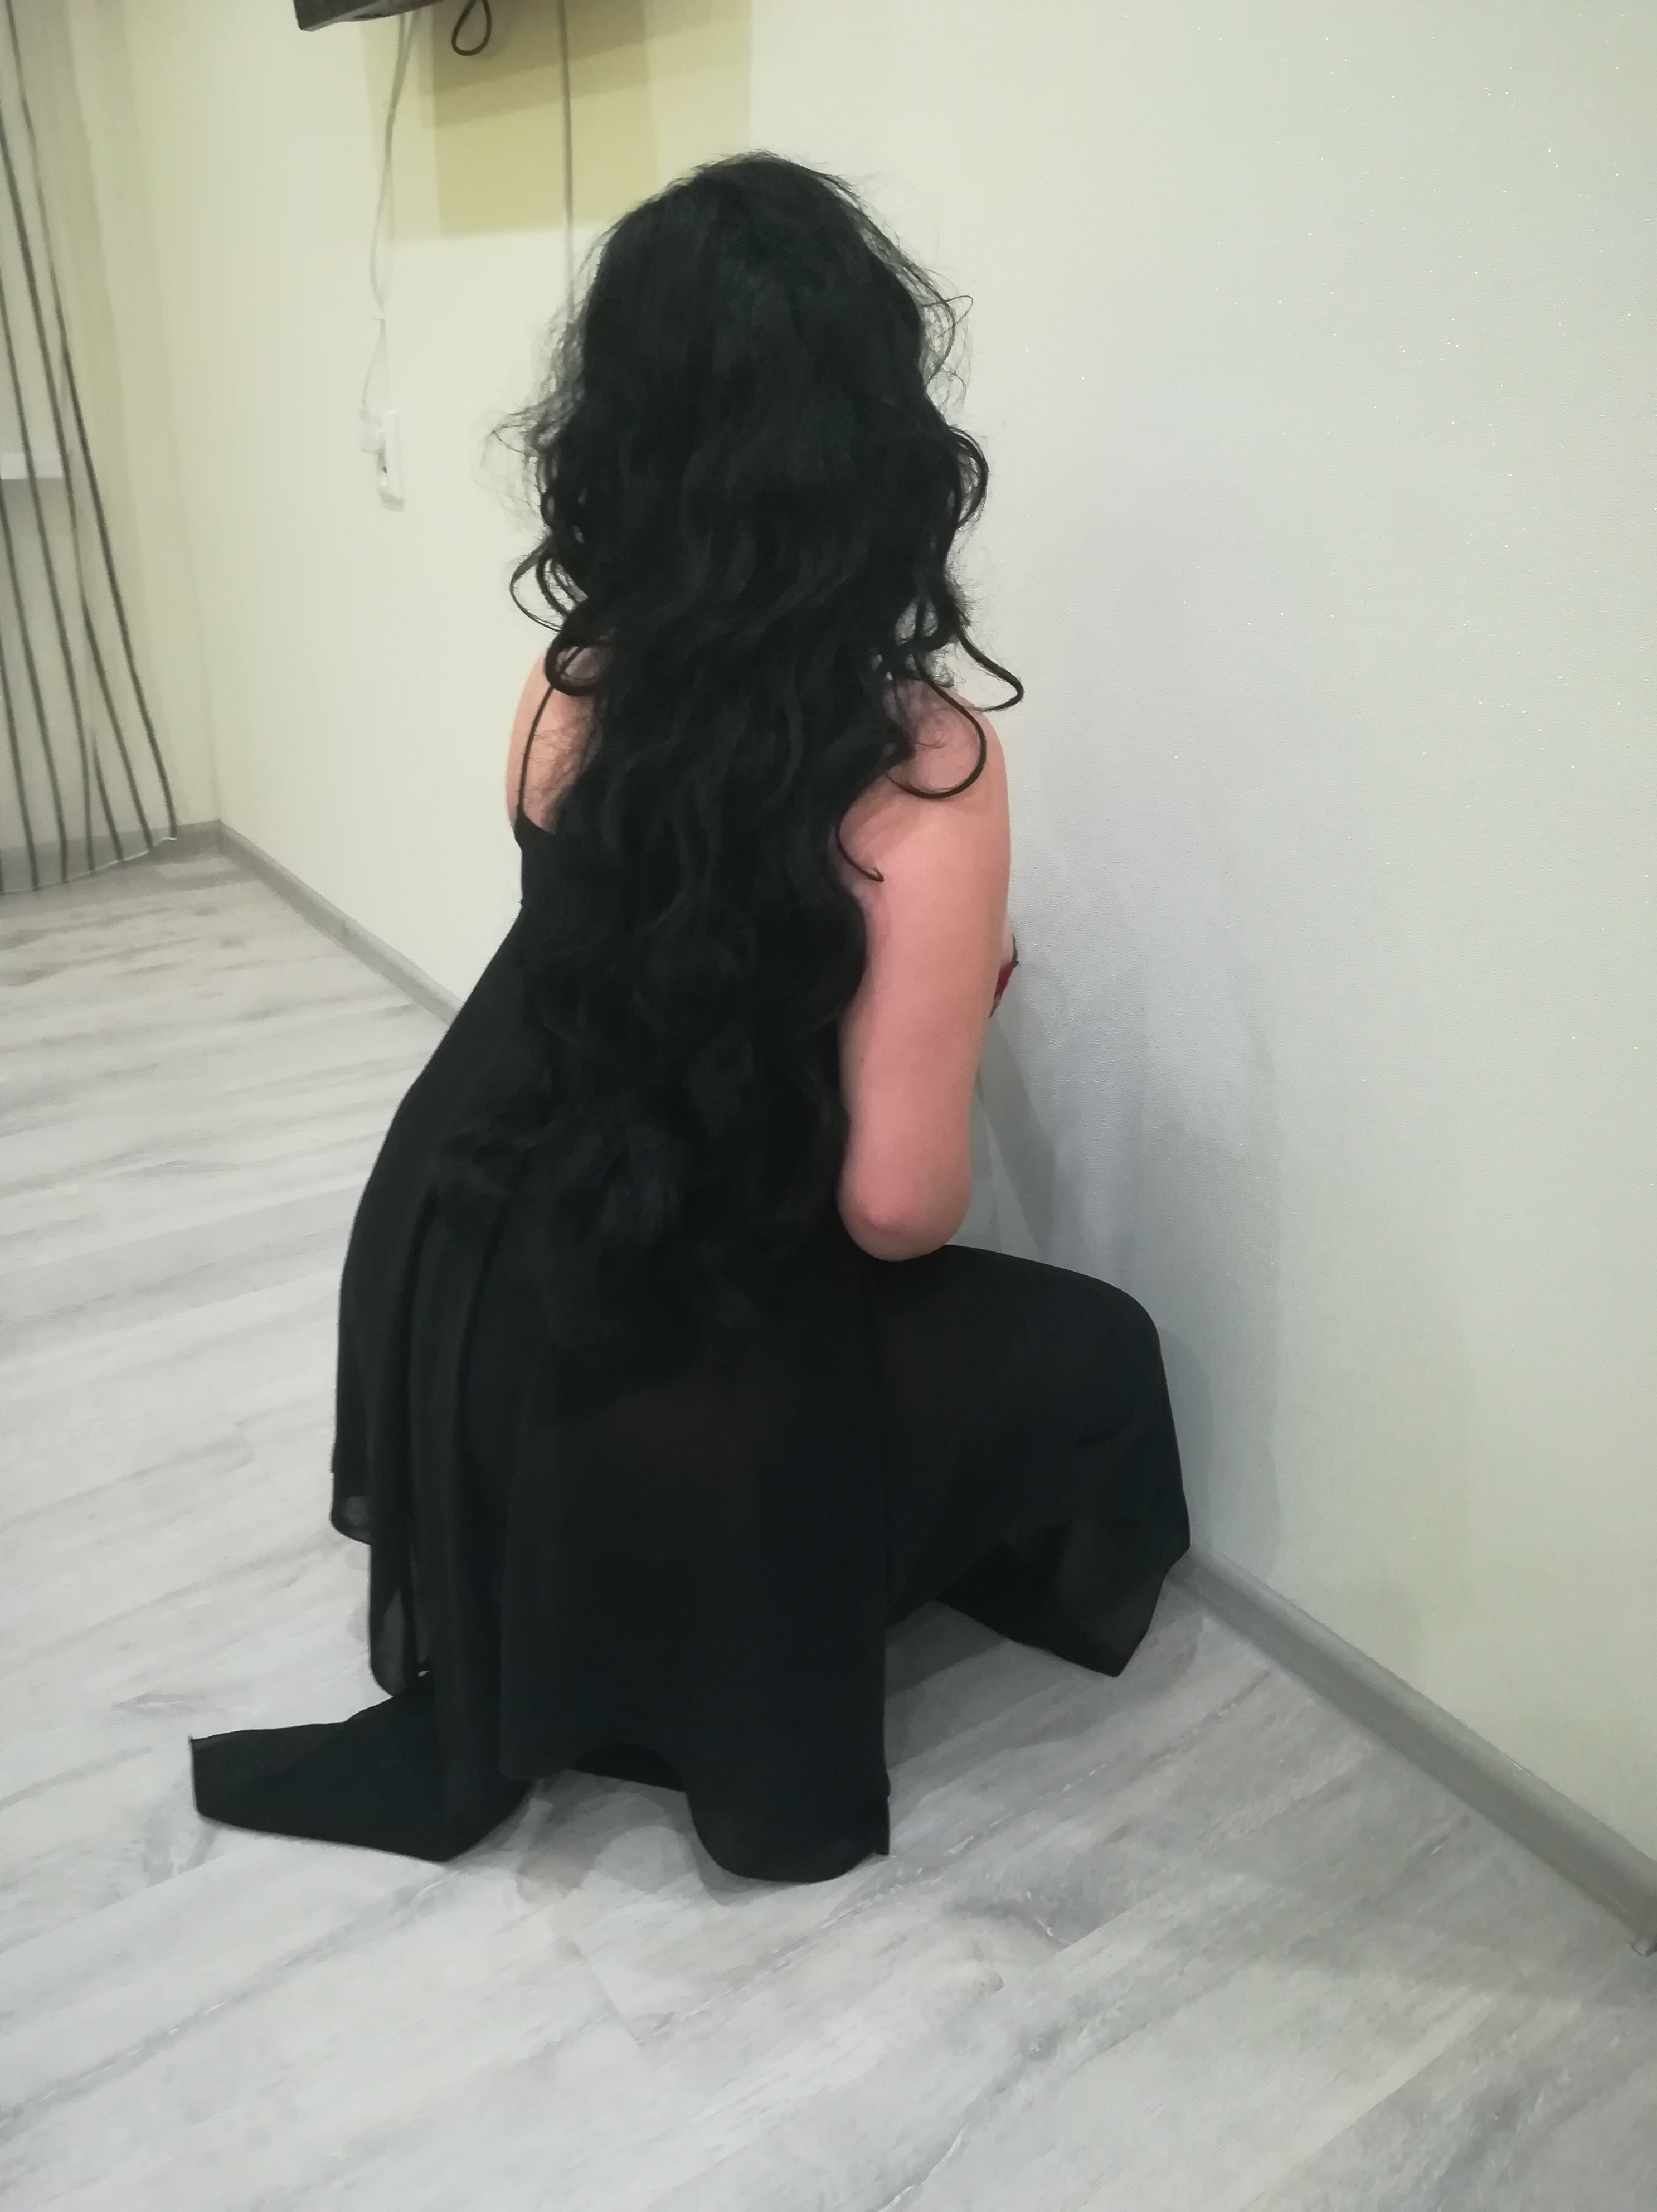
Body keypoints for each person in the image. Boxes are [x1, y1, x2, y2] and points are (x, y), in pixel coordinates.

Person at [191, 154, 1189, 1884]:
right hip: (688, 1336)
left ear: (619, 439)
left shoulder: (561, 685)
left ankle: (583, 1586)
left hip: (460, 1279)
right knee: (1103, 1353)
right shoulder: (928, 773)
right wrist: (948, 1010)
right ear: (877, 448)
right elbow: (896, 1211)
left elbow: (624, 964)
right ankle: (721, 1603)